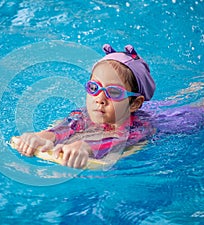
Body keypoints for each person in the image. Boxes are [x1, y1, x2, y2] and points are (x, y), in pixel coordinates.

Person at [12, 44, 203, 169]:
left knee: (196, 110)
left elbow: (116, 140)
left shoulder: (137, 128)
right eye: (94, 88)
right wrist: (41, 137)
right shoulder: (84, 115)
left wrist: (85, 147)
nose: (99, 99)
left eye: (113, 92)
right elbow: (66, 127)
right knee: (177, 98)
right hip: (145, 108)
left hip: (168, 120)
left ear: (134, 103)